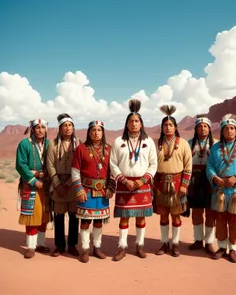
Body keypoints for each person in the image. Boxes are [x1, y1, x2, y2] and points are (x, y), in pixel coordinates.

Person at [110, 99, 157, 261]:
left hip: (142, 184)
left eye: (137, 121)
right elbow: (113, 164)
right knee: (124, 217)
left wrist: (143, 180)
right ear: (127, 124)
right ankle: (122, 247)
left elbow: (153, 164)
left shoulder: (148, 141)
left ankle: (139, 245)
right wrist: (124, 180)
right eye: (131, 121)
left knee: (141, 217)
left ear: (141, 124)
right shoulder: (119, 141)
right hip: (124, 184)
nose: (134, 124)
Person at [206, 114, 236, 263]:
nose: (229, 131)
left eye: (232, 128)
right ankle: (221, 247)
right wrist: (215, 178)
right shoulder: (215, 148)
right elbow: (210, 166)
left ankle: (233, 249)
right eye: (226, 128)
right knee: (220, 221)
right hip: (219, 190)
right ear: (221, 131)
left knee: (235, 222)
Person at [71, 120, 115, 263]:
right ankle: (85, 249)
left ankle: (97, 247)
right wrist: (79, 190)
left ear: (103, 132)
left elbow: (113, 170)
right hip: (86, 190)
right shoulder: (81, 149)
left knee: (98, 222)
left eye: (99, 130)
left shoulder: (109, 149)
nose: (96, 133)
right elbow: (75, 171)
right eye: (93, 130)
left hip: (103, 191)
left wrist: (110, 187)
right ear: (89, 132)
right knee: (85, 222)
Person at [153, 105, 192, 257]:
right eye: (165, 125)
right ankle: (164, 243)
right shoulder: (157, 144)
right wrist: (153, 186)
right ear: (162, 127)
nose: (167, 127)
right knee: (163, 215)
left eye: (170, 125)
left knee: (176, 215)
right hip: (161, 184)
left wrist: (184, 185)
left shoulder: (183, 144)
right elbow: (153, 166)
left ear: (175, 127)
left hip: (177, 184)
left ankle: (175, 244)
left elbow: (188, 166)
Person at [46, 113, 80, 257]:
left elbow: (80, 164)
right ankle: (59, 245)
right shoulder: (52, 145)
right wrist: (57, 184)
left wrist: (70, 182)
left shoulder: (78, 144)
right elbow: (50, 165)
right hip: (58, 184)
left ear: (73, 127)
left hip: (73, 184)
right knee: (59, 217)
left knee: (74, 216)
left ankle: (72, 244)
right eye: (64, 125)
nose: (67, 128)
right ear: (60, 128)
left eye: (70, 125)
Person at [16, 119, 50, 259]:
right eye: (37, 127)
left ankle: (40, 244)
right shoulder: (25, 144)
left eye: (43, 127)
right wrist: (34, 179)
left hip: (47, 185)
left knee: (44, 215)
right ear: (32, 129)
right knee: (31, 215)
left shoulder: (49, 144)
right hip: (30, 185)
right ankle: (31, 247)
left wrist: (47, 175)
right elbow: (21, 165)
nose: (40, 130)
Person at [187, 115, 216, 255]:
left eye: (205, 126)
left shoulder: (216, 144)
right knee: (197, 212)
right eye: (199, 126)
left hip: (210, 180)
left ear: (209, 128)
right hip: (194, 181)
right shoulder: (189, 143)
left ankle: (209, 242)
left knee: (210, 213)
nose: (202, 128)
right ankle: (198, 240)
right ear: (196, 129)